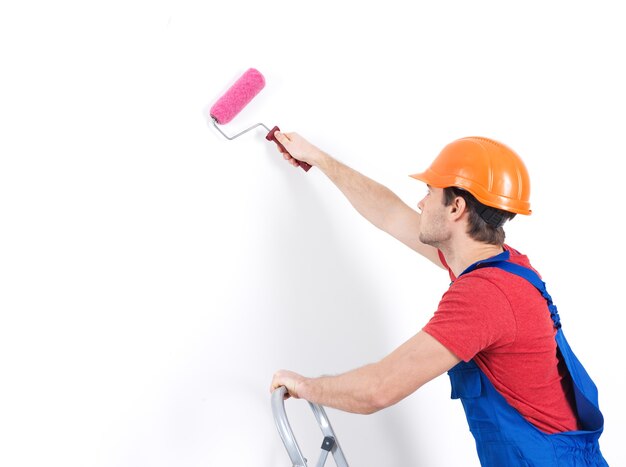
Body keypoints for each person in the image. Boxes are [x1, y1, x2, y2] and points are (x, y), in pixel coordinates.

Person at [269, 132, 608, 466]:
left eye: (429, 192)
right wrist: (318, 158)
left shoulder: (485, 296)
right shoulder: (504, 265)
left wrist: (305, 387)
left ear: (456, 207)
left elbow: (380, 388)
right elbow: (389, 214)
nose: (420, 203)